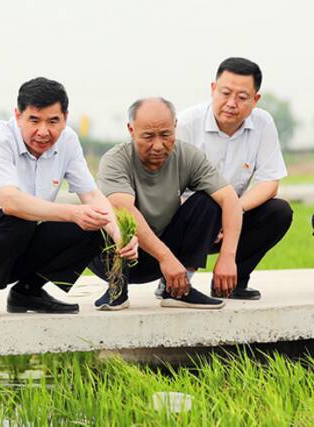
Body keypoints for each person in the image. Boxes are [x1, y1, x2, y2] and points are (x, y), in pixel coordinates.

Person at [0, 77, 137, 318]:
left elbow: (92, 195)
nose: (43, 131)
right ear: (18, 115)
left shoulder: (68, 140)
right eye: (34, 120)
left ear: (65, 118)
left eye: (53, 121)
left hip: (18, 241)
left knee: (97, 221)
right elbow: (11, 202)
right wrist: (73, 213)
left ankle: (27, 291)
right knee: (22, 214)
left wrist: (119, 234)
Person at [90, 97, 242, 310]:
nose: (158, 145)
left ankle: (179, 289)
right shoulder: (115, 160)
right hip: (119, 254)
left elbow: (230, 199)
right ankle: (117, 288)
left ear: (175, 127)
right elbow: (124, 210)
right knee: (111, 217)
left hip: (164, 255)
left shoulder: (188, 156)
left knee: (208, 202)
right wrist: (165, 257)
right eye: (148, 136)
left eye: (165, 134)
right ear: (131, 130)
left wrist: (227, 256)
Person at [175, 57, 293, 300]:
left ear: (256, 99)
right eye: (225, 93)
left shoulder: (263, 123)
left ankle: (232, 282)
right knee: (205, 201)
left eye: (242, 97)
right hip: (187, 218)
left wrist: (233, 210)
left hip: (232, 217)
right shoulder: (186, 124)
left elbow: (270, 182)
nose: (231, 103)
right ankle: (177, 279)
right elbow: (167, 190)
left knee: (279, 211)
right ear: (212, 89)